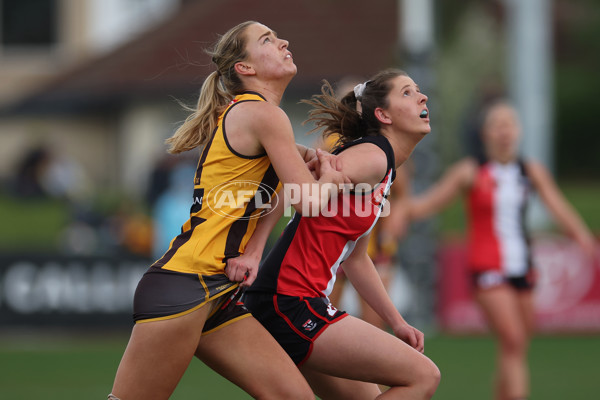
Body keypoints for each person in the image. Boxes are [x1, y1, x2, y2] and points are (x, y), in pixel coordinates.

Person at [109, 20, 348, 400]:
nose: (284, 40)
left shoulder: (259, 117)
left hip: (216, 292)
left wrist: (255, 250)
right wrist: (330, 181)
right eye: (268, 39)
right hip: (185, 285)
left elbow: (283, 188)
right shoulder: (264, 115)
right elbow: (308, 199)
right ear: (245, 68)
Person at [244, 69, 441, 399]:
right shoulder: (374, 157)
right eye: (407, 92)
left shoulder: (380, 163)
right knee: (423, 376)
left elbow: (357, 259)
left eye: (419, 90)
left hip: (295, 301)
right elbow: (291, 180)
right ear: (383, 115)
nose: (422, 96)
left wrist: (397, 321)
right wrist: (254, 249)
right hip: (288, 302)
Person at [408, 99, 596, 400]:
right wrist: (390, 205)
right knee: (512, 339)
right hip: (487, 268)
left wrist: (583, 237)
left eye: (509, 124)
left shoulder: (529, 170)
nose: (504, 131)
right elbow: (429, 204)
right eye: (497, 125)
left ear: (518, 131)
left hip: (523, 267)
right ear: (485, 133)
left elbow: (558, 207)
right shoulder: (470, 171)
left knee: (516, 348)